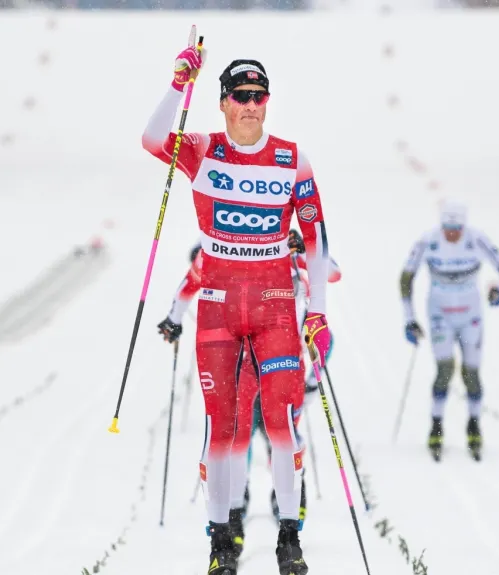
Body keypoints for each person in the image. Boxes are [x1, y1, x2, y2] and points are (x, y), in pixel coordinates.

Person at [143, 42, 331, 575]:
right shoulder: (204, 150)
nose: (251, 105)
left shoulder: (292, 158)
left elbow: (316, 241)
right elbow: (152, 139)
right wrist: (180, 80)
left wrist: (317, 309)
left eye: (259, 96)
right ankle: (222, 541)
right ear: (223, 102)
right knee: (222, 428)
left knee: (280, 423)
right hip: (219, 308)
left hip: (273, 307)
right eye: (241, 96)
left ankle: (289, 537)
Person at [156, 232, 341, 564]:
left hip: (282, 358)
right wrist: (173, 320)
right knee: (238, 437)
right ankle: (235, 512)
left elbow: (331, 272)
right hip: (240, 364)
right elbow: (186, 287)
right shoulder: (216, 251)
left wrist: (299, 247)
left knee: (282, 432)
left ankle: (287, 506)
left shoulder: (283, 249)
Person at [398, 200, 499, 461]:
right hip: (440, 316)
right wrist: (410, 319)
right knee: (445, 370)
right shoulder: (428, 241)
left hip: (471, 317)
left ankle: (474, 425)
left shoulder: (477, 239)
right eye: (448, 229)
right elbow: (406, 278)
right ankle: (436, 427)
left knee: (471, 373)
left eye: (457, 230)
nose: (452, 235)